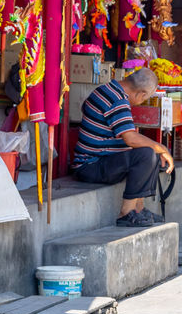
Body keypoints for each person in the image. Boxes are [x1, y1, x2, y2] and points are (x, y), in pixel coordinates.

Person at [72, 67, 174, 227]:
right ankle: (126, 213)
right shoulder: (117, 99)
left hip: (99, 162)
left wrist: (156, 148)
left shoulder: (105, 89)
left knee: (150, 152)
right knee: (146, 154)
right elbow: (131, 139)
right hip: (90, 166)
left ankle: (139, 209)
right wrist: (162, 148)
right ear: (142, 94)